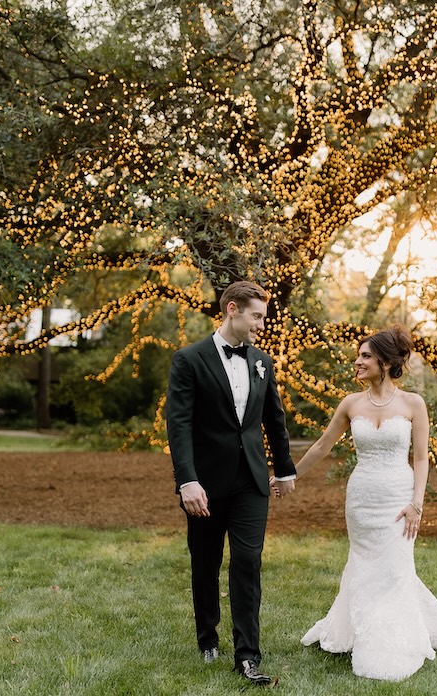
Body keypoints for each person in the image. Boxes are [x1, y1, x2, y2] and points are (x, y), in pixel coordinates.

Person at [281, 324, 437, 681]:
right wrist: (288, 475)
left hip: (399, 499)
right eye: (359, 356)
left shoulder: (413, 403)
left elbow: (420, 458)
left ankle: (392, 639)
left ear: (385, 362)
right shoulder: (351, 404)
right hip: (362, 498)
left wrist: (417, 502)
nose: (358, 362)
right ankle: (360, 630)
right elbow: (322, 446)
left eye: (365, 356)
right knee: (365, 565)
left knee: (396, 567)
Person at [166, 280, 296, 687]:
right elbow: (179, 424)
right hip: (204, 483)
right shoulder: (189, 359)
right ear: (233, 309)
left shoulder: (263, 362)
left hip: (251, 481)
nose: (262, 323)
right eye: (256, 315)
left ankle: (247, 655)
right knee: (205, 562)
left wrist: (285, 469)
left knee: (247, 561)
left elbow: (274, 419)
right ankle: (208, 637)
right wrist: (187, 480)